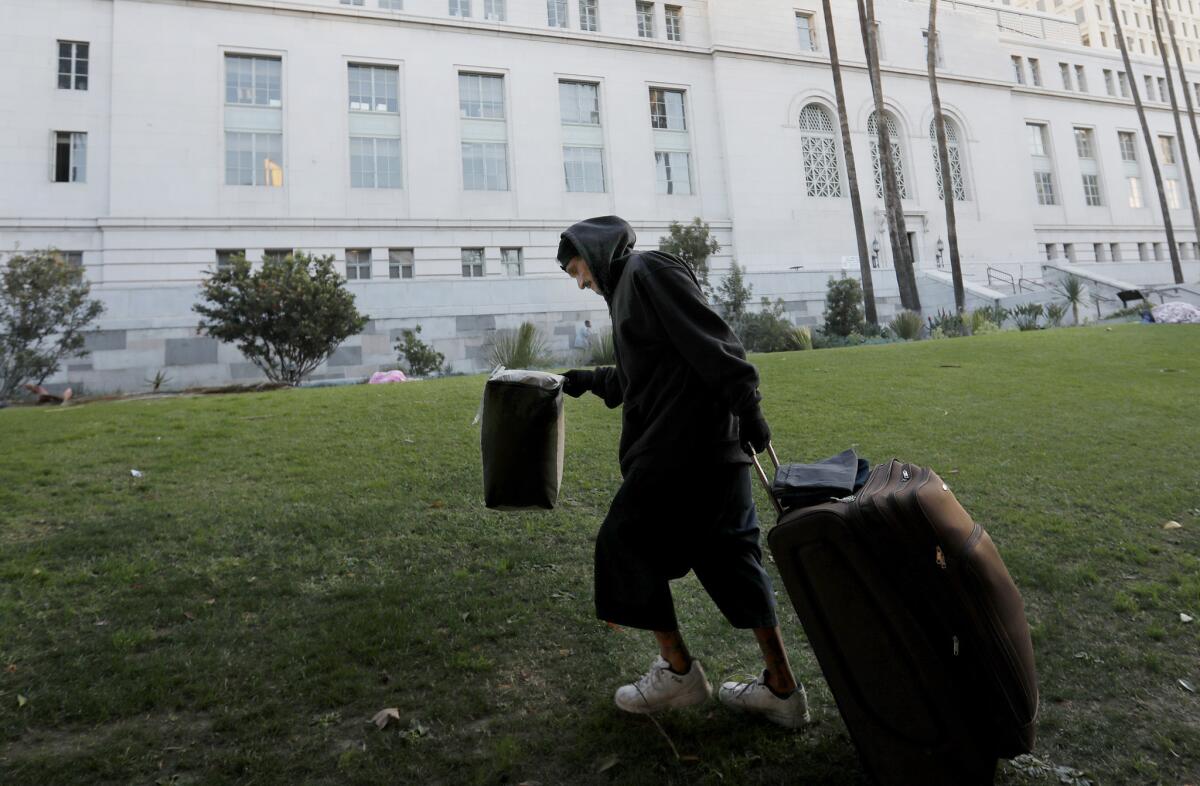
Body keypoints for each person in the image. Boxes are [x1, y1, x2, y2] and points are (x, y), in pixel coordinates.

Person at [557, 215, 808, 729]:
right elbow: (646, 375)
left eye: (578, 269)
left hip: (680, 451)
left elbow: (710, 339)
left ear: (595, 251)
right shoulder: (628, 290)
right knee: (734, 558)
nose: (581, 282)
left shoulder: (648, 271)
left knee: (623, 542)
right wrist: (583, 381)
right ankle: (782, 690)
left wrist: (749, 404)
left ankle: (678, 675)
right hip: (710, 449)